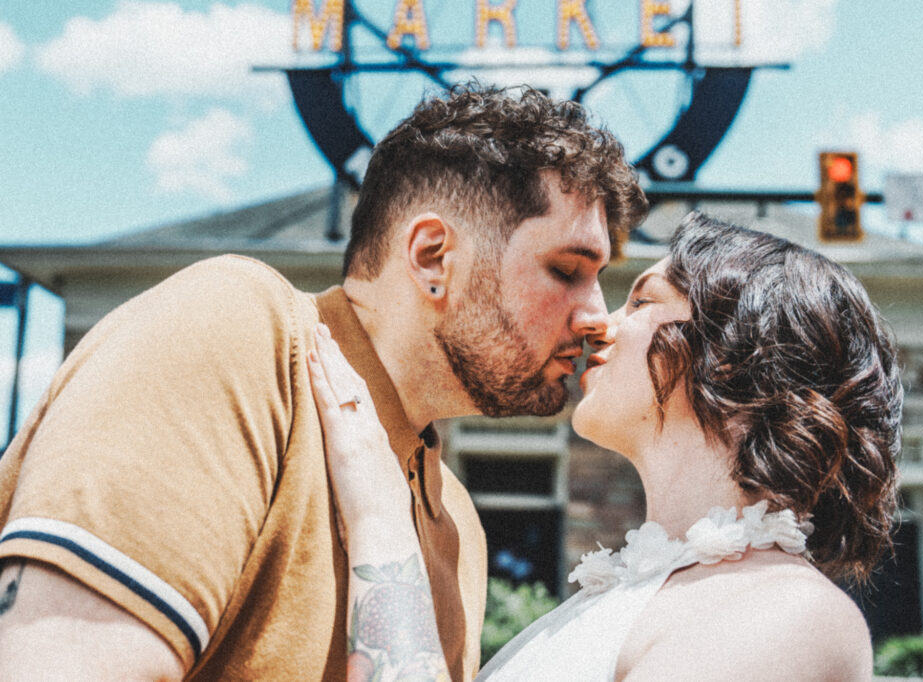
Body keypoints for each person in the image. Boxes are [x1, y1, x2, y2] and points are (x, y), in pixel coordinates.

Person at [0, 83, 648, 680]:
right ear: (432, 258)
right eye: (567, 270)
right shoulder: (235, 329)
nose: (597, 317)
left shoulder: (459, 523)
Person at [308, 211, 903, 681]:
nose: (596, 323)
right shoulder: (623, 595)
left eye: (642, 301)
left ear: (741, 357)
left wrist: (379, 518)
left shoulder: (788, 613)